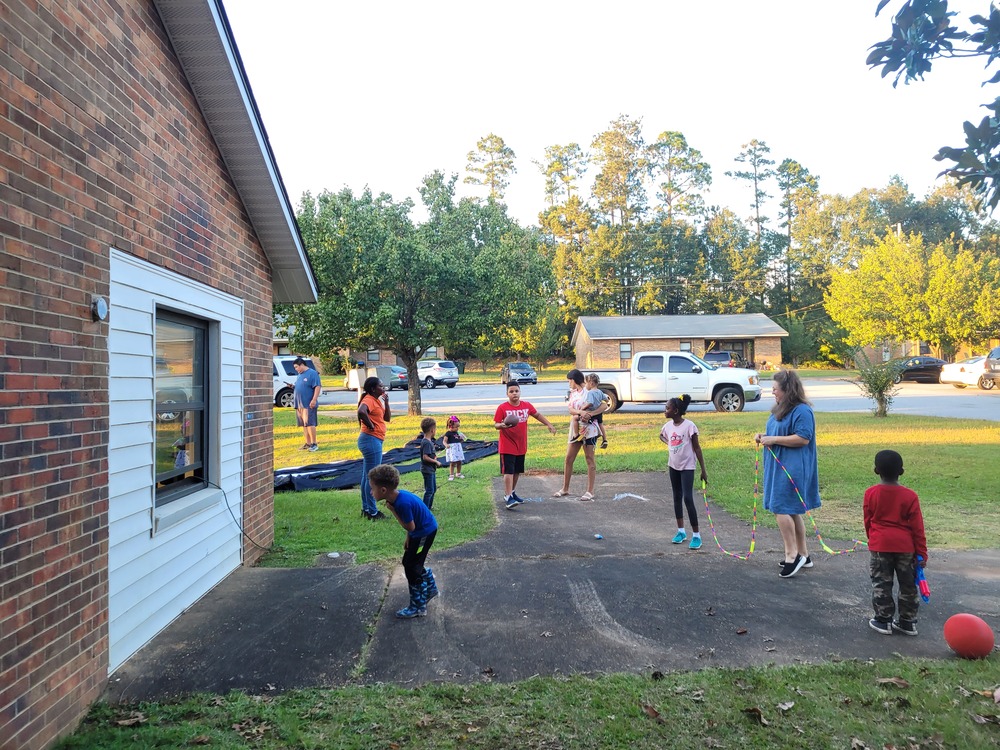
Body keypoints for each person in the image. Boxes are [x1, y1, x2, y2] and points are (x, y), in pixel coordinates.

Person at [754, 369, 820, 579]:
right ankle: (804, 554)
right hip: (778, 465)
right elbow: (779, 433)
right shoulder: (780, 409)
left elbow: (803, 438)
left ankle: (792, 555)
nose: (772, 392)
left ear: (787, 390)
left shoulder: (802, 411)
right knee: (792, 510)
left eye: (775, 389)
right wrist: (764, 436)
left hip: (794, 468)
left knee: (781, 507)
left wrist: (773, 440)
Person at [863, 450, 928, 636]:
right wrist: (921, 553)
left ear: (876, 470)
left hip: (880, 545)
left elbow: (868, 521)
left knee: (882, 583)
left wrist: (873, 539)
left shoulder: (871, 493)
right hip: (906, 548)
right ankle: (907, 622)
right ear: (902, 471)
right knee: (908, 584)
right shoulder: (910, 496)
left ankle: (884, 620)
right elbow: (918, 528)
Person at [369, 464, 439, 619]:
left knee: (412, 567)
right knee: (409, 562)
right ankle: (431, 588)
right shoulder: (399, 496)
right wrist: (409, 537)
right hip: (420, 533)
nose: (370, 492)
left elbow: (410, 525)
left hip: (424, 534)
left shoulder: (400, 504)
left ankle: (418, 606)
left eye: (372, 488)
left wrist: (393, 511)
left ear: (383, 490)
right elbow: (413, 525)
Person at [494, 382, 557, 510]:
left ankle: (512, 492)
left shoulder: (526, 406)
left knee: (517, 471)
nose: (514, 393)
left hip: (521, 445)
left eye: (516, 391)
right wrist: (502, 425)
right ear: (507, 394)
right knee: (508, 471)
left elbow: (537, 415)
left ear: (520, 392)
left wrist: (548, 424)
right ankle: (507, 497)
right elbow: (496, 424)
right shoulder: (502, 408)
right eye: (511, 391)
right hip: (507, 445)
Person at [659, 394, 708, 550]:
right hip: (673, 465)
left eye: (667, 408)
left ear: (676, 410)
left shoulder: (689, 426)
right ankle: (681, 531)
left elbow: (697, 448)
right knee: (676, 497)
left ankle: (696, 535)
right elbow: (662, 436)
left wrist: (703, 470)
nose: (665, 410)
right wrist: (670, 445)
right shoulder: (667, 426)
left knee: (688, 498)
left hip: (687, 466)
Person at [553, 369, 606, 501]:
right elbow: (570, 409)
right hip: (577, 427)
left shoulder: (591, 391)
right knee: (569, 458)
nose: (568, 383)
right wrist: (580, 413)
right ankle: (565, 488)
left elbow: (604, 405)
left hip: (590, 429)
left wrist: (591, 414)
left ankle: (590, 491)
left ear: (574, 379)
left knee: (589, 458)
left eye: (569, 380)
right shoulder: (573, 393)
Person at [357, 376, 391, 520]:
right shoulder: (368, 400)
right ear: (372, 389)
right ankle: (372, 511)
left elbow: (387, 418)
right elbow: (361, 411)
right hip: (370, 440)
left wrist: (387, 402)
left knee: (367, 477)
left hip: (374, 440)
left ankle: (366, 509)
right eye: (380, 386)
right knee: (373, 477)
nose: (383, 388)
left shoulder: (377, 400)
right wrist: (371, 426)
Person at [292, 357, 322, 452]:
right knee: (304, 424)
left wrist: (314, 400)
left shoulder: (312, 373)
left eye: (297, 367)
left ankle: (314, 444)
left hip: (308, 404)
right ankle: (308, 443)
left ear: (302, 365)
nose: (296, 369)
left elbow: (317, 387)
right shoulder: (299, 375)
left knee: (310, 423)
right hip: (299, 404)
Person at [418, 417, 442, 509]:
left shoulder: (428, 442)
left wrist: (434, 457)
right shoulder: (427, 443)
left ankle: (429, 507)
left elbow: (429, 455)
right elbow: (425, 457)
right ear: (432, 430)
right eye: (435, 429)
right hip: (427, 470)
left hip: (431, 469)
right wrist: (435, 461)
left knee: (433, 489)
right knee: (429, 490)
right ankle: (425, 509)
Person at [586, 373, 610, 449]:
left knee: (589, 423)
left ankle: (597, 433)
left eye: (586, 383)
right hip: (599, 412)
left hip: (592, 412)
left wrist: (584, 407)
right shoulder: (600, 392)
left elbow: (590, 403)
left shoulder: (590, 393)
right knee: (600, 424)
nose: (586, 385)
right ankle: (604, 439)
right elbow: (606, 399)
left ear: (591, 383)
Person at [443, 416, 466, 480]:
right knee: (452, 462)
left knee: (459, 461)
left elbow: (459, 440)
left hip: (458, 448)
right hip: (452, 449)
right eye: (456, 427)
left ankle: (458, 473)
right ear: (451, 426)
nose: (458, 429)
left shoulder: (457, 433)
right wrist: (446, 445)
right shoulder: (448, 433)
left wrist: (462, 439)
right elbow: (444, 441)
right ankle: (451, 474)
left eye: (458, 427)